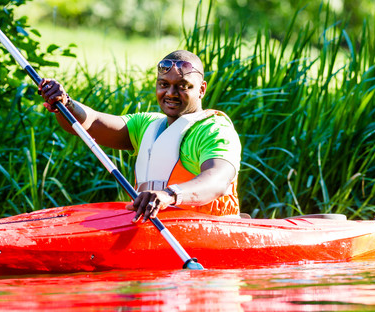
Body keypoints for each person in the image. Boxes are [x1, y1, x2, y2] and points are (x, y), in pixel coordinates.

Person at [39, 50, 241, 223]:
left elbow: (217, 180)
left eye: (183, 86)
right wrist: (65, 104)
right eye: (163, 84)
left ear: (202, 89)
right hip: (153, 229)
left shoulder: (215, 129)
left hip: (210, 230)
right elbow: (89, 123)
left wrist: (169, 195)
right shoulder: (147, 124)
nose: (171, 93)